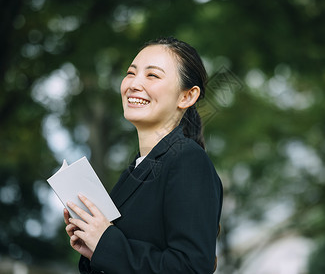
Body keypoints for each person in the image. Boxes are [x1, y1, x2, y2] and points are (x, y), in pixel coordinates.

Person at [63, 37, 223, 273]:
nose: (134, 84)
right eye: (131, 73)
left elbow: (192, 267)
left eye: (152, 75)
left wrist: (105, 242)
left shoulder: (188, 160)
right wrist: (94, 249)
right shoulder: (136, 170)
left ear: (187, 96)